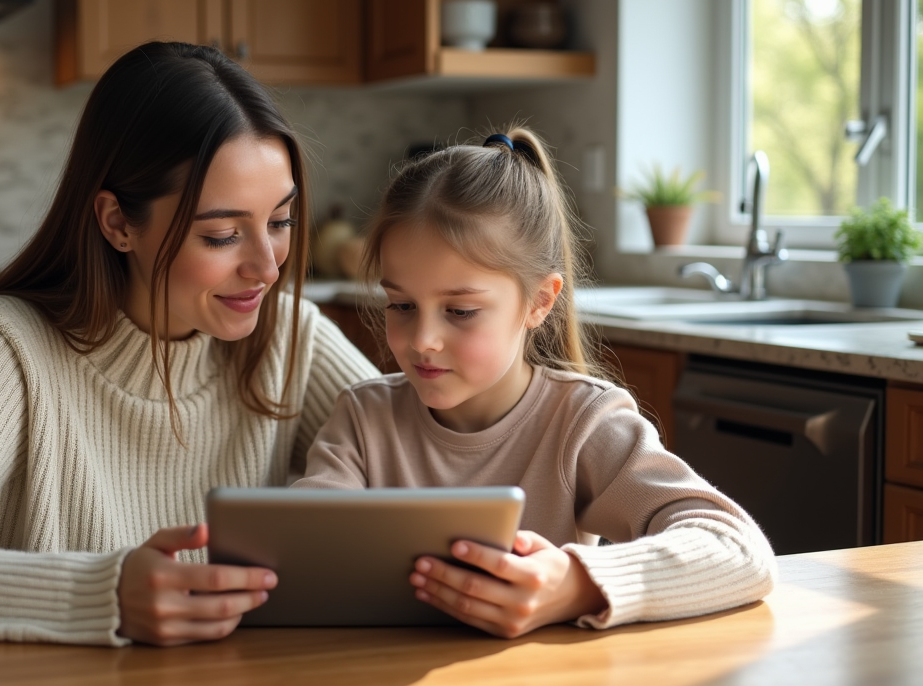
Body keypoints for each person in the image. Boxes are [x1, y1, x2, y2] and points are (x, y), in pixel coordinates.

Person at [0, 42, 380, 647]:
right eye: (222, 235)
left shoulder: (291, 338)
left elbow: (441, 479)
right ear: (118, 222)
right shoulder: (1, 352)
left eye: (280, 222)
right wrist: (101, 591)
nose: (267, 267)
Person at [295, 127, 776, 638]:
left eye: (460, 311)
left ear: (539, 302)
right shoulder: (363, 418)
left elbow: (739, 549)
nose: (423, 340)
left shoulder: (583, 422)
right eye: (402, 306)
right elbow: (301, 545)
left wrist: (576, 584)